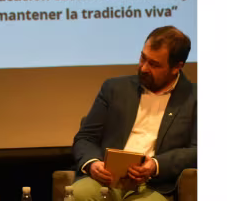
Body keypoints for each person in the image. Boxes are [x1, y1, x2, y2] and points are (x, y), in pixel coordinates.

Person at [71, 26, 196, 201]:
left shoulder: (195, 99)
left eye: (154, 64)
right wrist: (93, 164)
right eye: (142, 58)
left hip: (153, 186)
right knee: (78, 194)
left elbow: (198, 150)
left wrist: (156, 165)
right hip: (105, 180)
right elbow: (85, 137)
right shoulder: (114, 89)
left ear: (177, 67)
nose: (144, 68)